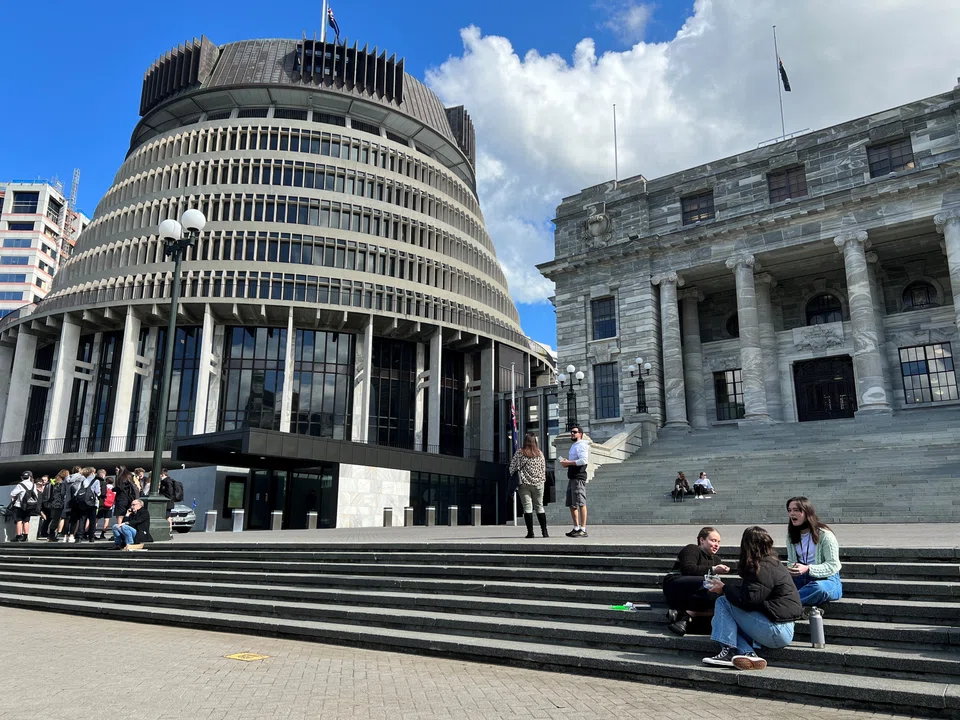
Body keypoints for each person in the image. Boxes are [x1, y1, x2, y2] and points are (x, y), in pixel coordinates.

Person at [702, 526, 801, 670]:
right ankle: (747, 653)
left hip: (777, 630)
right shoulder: (772, 563)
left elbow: (748, 600)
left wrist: (724, 588)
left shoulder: (762, 567)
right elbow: (753, 596)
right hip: (781, 627)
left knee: (723, 603)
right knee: (720, 621)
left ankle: (729, 652)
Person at [662, 527, 730, 635]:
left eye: (718, 542)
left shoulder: (716, 559)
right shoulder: (692, 549)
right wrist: (713, 569)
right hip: (676, 584)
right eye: (713, 540)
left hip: (698, 591)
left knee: (719, 595)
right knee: (707, 583)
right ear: (702, 540)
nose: (717, 545)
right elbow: (688, 569)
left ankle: (685, 616)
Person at [786, 496, 843, 608]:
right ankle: (794, 605)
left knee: (818, 589)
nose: (792, 514)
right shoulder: (790, 536)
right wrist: (791, 569)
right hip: (802, 578)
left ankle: (785, 605)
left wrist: (808, 568)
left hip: (827, 579)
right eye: (789, 510)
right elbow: (791, 561)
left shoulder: (825, 535)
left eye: (796, 510)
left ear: (807, 512)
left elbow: (833, 565)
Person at [509, 432, 548, 539]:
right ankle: (544, 532)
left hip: (524, 484)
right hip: (539, 484)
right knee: (539, 507)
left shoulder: (520, 453)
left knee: (527, 507)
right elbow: (543, 469)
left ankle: (530, 532)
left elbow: (512, 468)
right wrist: (541, 480)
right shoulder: (540, 453)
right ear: (535, 441)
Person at [559, 425, 589, 538]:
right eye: (571, 432)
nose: (572, 434)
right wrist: (567, 463)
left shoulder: (582, 445)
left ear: (580, 434)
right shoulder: (574, 446)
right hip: (572, 477)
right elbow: (575, 461)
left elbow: (584, 460)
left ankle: (583, 529)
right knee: (572, 503)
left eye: (575, 432)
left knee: (581, 503)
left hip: (578, 477)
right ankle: (576, 528)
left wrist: (568, 463)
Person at [70, 467, 100, 543]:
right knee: (92, 520)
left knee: (82, 519)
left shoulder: (82, 481)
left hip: (82, 503)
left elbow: (76, 493)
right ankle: (91, 536)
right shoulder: (96, 481)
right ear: (92, 473)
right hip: (92, 503)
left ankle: (79, 536)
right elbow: (98, 492)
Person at [9, 471, 39, 542]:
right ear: (30, 477)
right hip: (29, 506)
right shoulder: (33, 485)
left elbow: (12, 494)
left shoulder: (20, 484)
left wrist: (13, 500)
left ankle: (18, 536)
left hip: (20, 505)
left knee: (19, 520)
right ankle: (25, 536)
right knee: (26, 521)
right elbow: (36, 494)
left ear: (22, 477)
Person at [45, 470, 70, 542]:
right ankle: (51, 535)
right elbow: (63, 493)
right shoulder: (62, 483)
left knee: (55, 519)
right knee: (56, 520)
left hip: (54, 503)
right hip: (59, 504)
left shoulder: (54, 482)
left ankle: (51, 535)